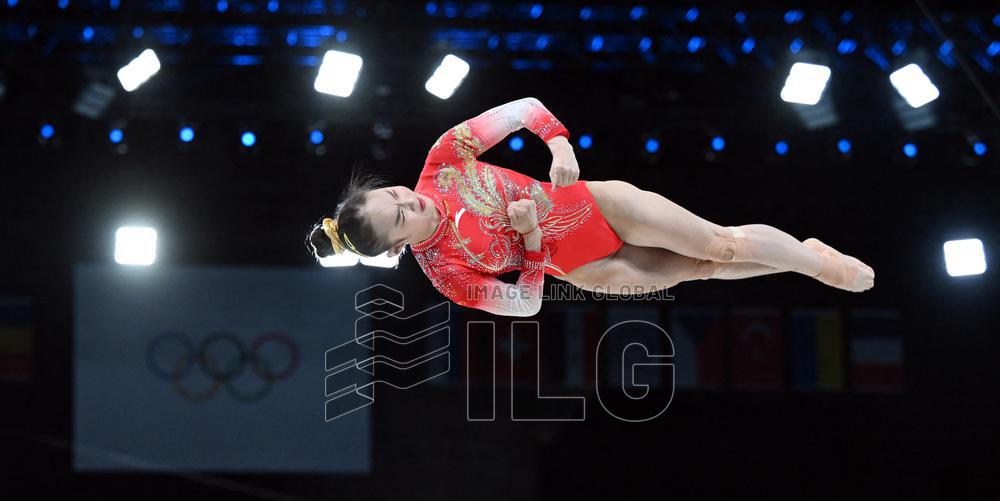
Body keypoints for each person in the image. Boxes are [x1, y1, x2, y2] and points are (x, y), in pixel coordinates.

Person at [305, 97, 874, 317]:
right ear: (400, 246)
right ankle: (806, 255)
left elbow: (526, 108)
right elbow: (526, 305)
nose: (410, 198)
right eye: (401, 216)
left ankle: (813, 263)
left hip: (594, 204)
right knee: (707, 269)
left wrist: (557, 142)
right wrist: (529, 243)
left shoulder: (444, 158)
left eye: (394, 193)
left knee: (719, 243)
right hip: (584, 268)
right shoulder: (446, 275)